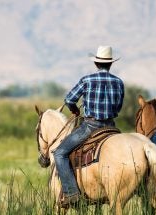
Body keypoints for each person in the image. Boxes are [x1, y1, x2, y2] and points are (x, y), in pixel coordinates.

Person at [53, 46, 124, 207]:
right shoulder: (119, 82)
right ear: (111, 64)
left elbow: (69, 99)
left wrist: (75, 109)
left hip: (91, 126)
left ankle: (71, 193)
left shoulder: (87, 80)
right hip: (111, 127)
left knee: (59, 154)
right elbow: (119, 107)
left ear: (96, 64)